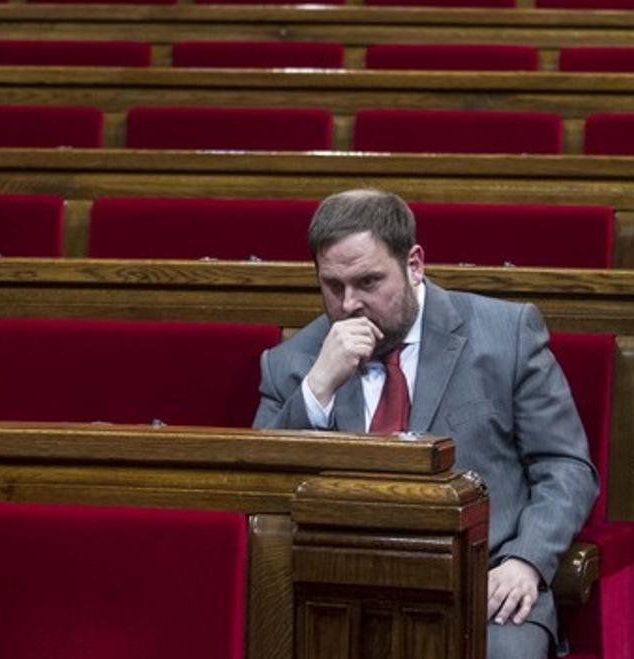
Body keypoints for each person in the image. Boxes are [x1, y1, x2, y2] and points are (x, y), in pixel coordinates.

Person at [253, 188, 598, 658]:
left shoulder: (505, 335)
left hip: (486, 587)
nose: (350, 304)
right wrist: (317, 391)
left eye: (369, 282)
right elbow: (259, 490)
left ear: (414, 264)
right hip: (338, 589)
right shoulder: (295, 363)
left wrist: (528, 560)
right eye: (333, 286)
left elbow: (566, 466)